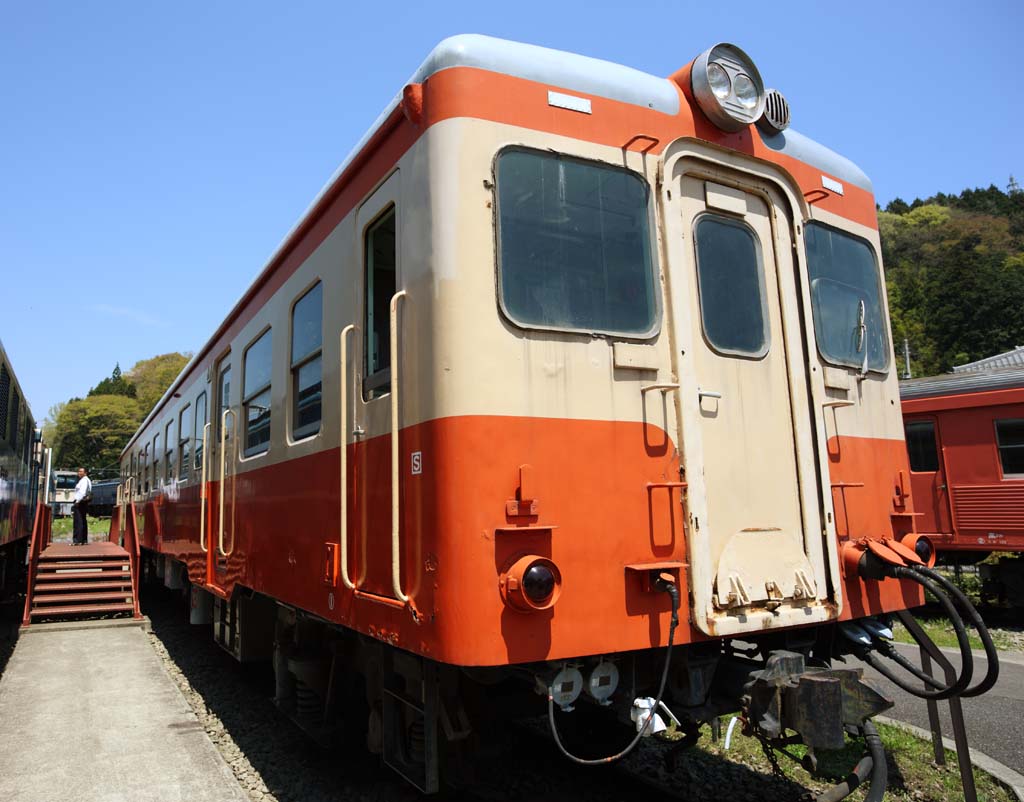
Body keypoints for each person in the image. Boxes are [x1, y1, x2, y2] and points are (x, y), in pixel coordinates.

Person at [72, 467, 92, 545]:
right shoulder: (87, 480)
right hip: (83, 502)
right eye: (78, 471)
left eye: (81, 471)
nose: (79, 473)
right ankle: (84, 539)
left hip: (80, 502)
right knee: (83, 520)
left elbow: (82, 492)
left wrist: (77, 501)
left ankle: (78, 540)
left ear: (85, 473)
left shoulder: (84, 481)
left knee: (78, 521)